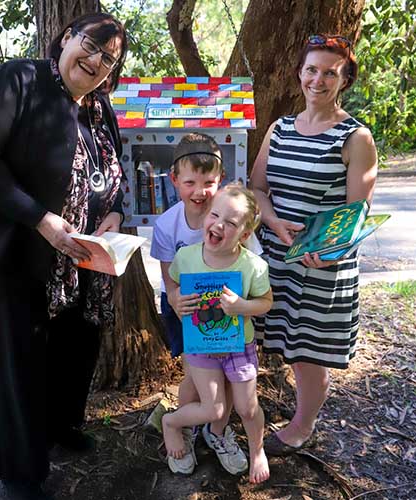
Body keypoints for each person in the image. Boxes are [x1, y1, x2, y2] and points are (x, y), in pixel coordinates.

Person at [0, 13, 127, 500]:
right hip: (10, 252)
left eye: (108, 59)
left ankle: (58, 427)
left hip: (75, 259)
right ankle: (20, 471)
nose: (95, 62)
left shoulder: (99, 108)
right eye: (90, 46)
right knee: (18, 357)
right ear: (67, 37)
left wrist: (113, 213)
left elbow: (113, 171)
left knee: (72, 345)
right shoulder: (20, 80)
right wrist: (40, 219)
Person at [249, 34, 378, 456]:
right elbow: (258, 189)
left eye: (329, 73)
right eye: (311, 70)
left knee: (308, 353)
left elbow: (356, 211)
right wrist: (271, 220)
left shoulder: (355, 138)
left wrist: (329, 252)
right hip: (275, 256)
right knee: (280, 340)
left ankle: (302, 426)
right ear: (299, 73)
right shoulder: (280, 128)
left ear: (344, 80)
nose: (317, 80)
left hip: (320, 264)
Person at [150, 133, 248, 476]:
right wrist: (175, 297)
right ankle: (183, 426)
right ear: (174, 179)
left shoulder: (233, 218)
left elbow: (249, 261)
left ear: (220, 180)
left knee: (226, 376)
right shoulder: (167, 224)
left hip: (227, 310)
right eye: (190, 181)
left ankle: (216, 431)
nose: (199, 191)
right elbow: (167, 272)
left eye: (208, 182)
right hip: (185, 306)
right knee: (196, 373)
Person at [162, 184, 273, 484]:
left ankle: (256, 449)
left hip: (240, 346)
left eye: (231, 223)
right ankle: (172, 423)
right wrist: (174, 299)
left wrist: (242, 306)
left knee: (248, 407)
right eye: (214, 215)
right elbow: (171, 284)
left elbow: (266, 302)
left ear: (245, 235)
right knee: (214, 407)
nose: (218, 224)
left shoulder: (254, 266)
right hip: (200, 346)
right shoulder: (186, 257)